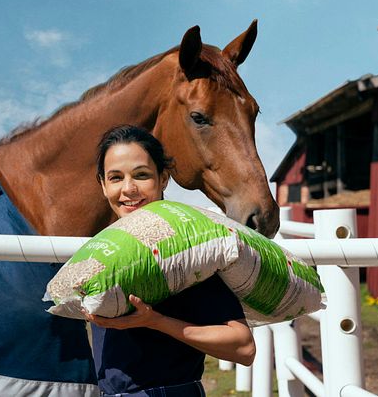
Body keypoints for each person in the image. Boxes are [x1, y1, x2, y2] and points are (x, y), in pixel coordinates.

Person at [85, 125, 255, 397]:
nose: (128, 189)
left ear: (163, 179)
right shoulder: (98, 251)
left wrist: (155, 321)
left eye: (141, 175)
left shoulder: (187, 250)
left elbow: (243, 347)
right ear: (103, 185)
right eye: (116, 178)